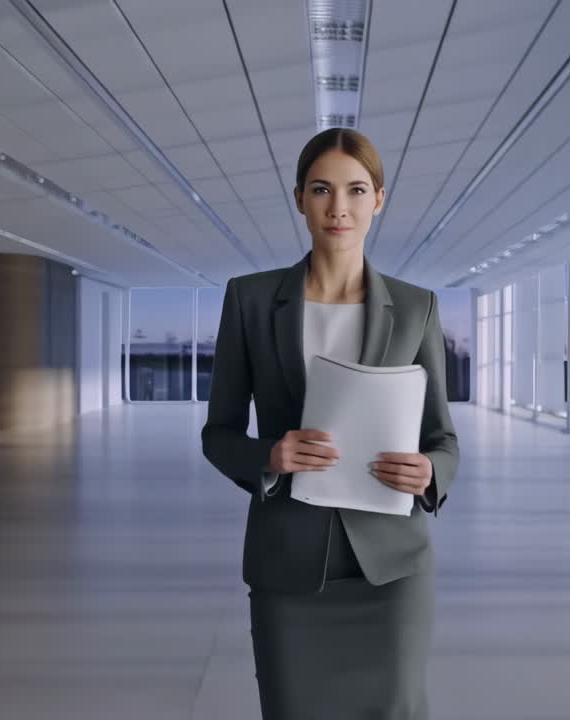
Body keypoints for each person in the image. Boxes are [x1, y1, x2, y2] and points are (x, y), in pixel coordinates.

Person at [201, 127, 459, 720]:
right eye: (321, 189)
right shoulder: (250, 299)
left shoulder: (416, 306)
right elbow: (218, 434)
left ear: (379, 199)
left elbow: (442, 437)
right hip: (289, 563)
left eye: (355, 190)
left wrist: (429, 472)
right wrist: (270, 457)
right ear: (299, 199)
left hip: (392, 568)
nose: (338, 208)